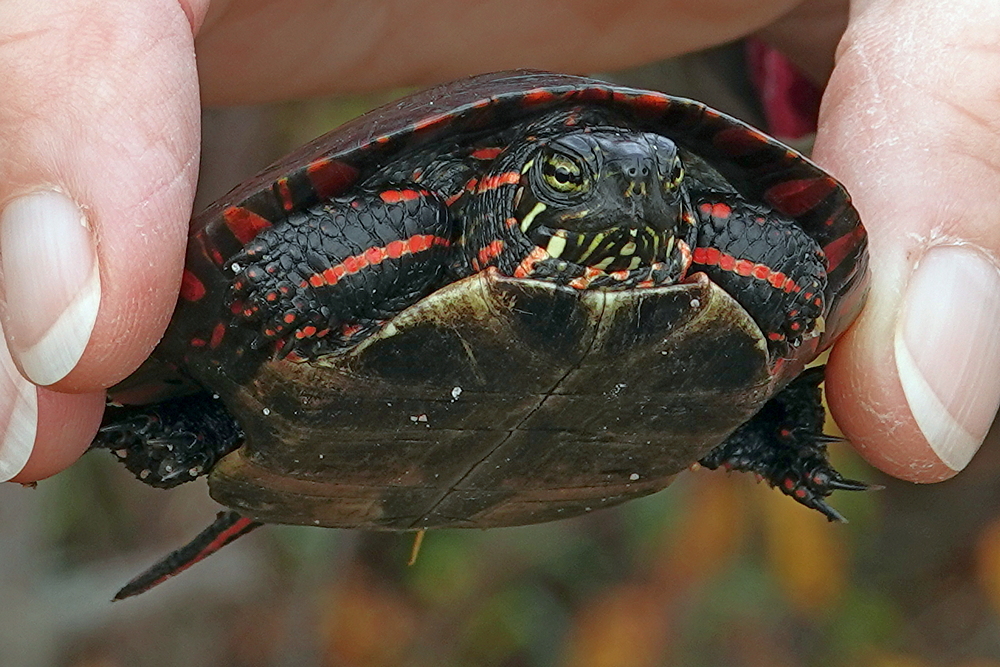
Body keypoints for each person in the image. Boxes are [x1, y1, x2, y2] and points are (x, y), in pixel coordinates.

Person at [1, 0, 996, 487]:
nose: (632, 199)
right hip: (291, 425)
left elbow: (794, 266)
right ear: (503, 193)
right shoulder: (426, 215)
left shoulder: (685, 225)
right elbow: (264, 270)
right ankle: (200, 418)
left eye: (659, 186)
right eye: (566, 182)